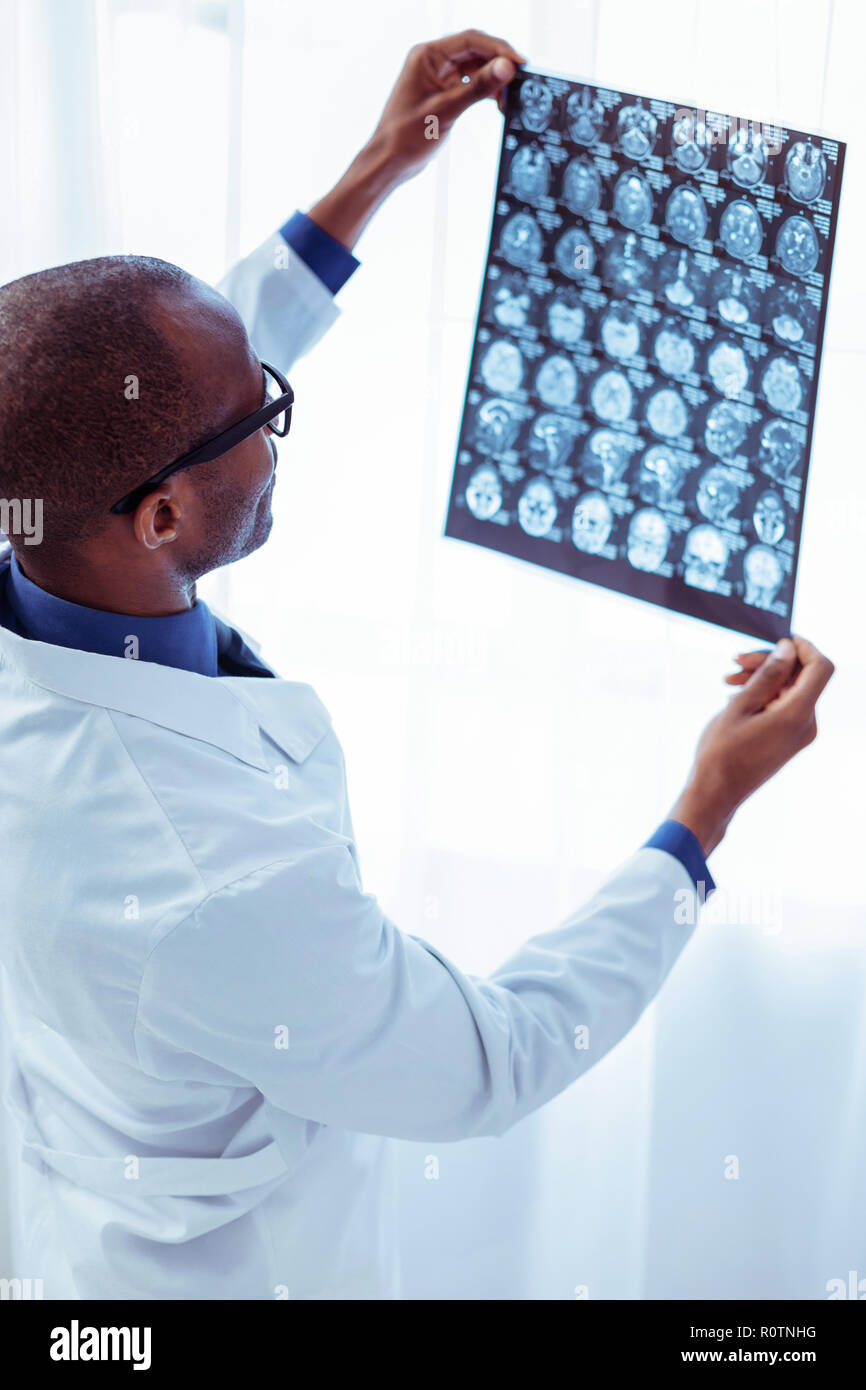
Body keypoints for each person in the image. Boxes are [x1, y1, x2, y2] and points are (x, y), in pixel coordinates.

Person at [0, 31, 833, 1301]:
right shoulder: (207, 883)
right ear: (161, 520)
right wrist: (705, 809)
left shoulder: (37, 502)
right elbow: (487, 1063)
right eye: (267, 416)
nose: (281, 434)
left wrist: (376, 170)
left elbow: (137, 400)